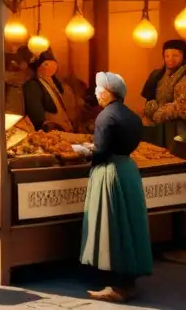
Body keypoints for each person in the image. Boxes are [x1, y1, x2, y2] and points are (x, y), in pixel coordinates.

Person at [80, 72, 152, 303]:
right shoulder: (132, 115)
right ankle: (128, 281)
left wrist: (83, 151)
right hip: (128, 170)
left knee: (112, 226)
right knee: (128, 224)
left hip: (109, 173)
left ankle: (117, 285)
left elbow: (100, 152)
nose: (95, 93)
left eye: (97, 89)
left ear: (107, 92)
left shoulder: (105, 117)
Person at [142, 40, 186, 150]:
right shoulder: (157, 75)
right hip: (159, 126)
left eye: (175, 55)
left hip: (179, 126)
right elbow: (149, 99)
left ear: (184, 56)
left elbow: (182, 104)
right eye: (167, 56)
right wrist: (151, 107)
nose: (170, 59)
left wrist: (162, 112)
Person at [23, 50, 76, 132]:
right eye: (46, 64)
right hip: (52, 132)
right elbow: (37, 115)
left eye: (54, 64)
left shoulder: (54, 83)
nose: (51, 67)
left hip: (65, 128)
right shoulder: (33, 85)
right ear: (38, 67)